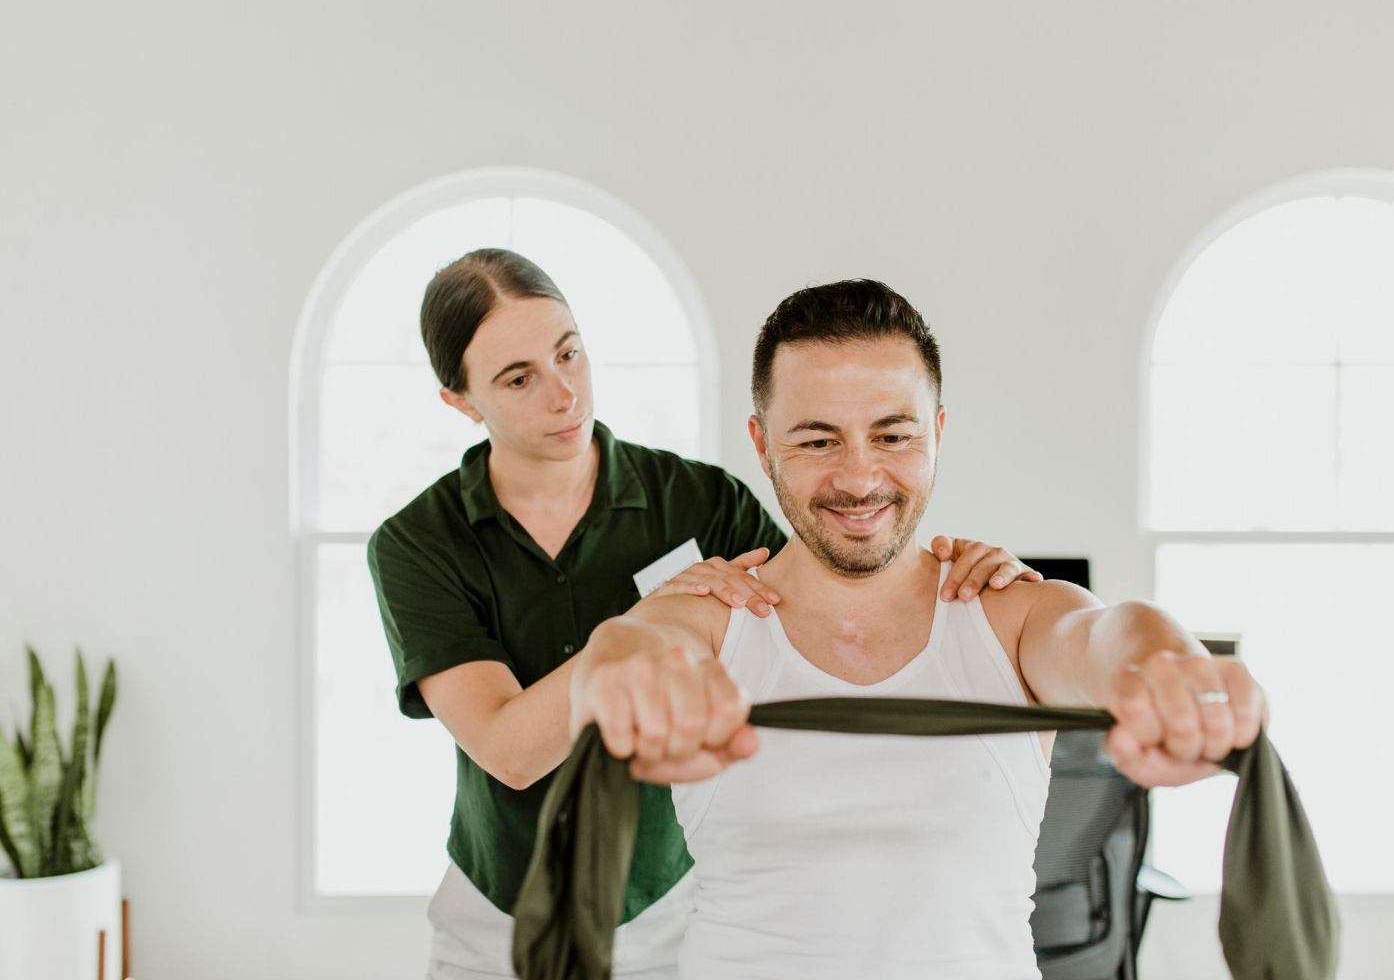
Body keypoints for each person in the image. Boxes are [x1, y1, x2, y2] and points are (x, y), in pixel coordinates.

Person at [366, 250, 1040, 980]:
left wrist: (969, 572)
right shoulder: (417, 542)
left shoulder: (702, 502)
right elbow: (510, 750)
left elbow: (834, 584)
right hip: (501, 911)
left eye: (570, 354)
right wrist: (649, 620)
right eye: (518, 379)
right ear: (461, 400)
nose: (564, 394)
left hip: (669, 905)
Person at [569, 279, 1269, 980]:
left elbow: (1105, 634)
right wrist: (626, 673)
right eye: (818, 440)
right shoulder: (706, 620)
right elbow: (631, 649)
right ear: (761, 443)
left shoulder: (1009, 613)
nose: (859, 476)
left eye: (893, 434)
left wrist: (1168, 665)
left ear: (936, 430)